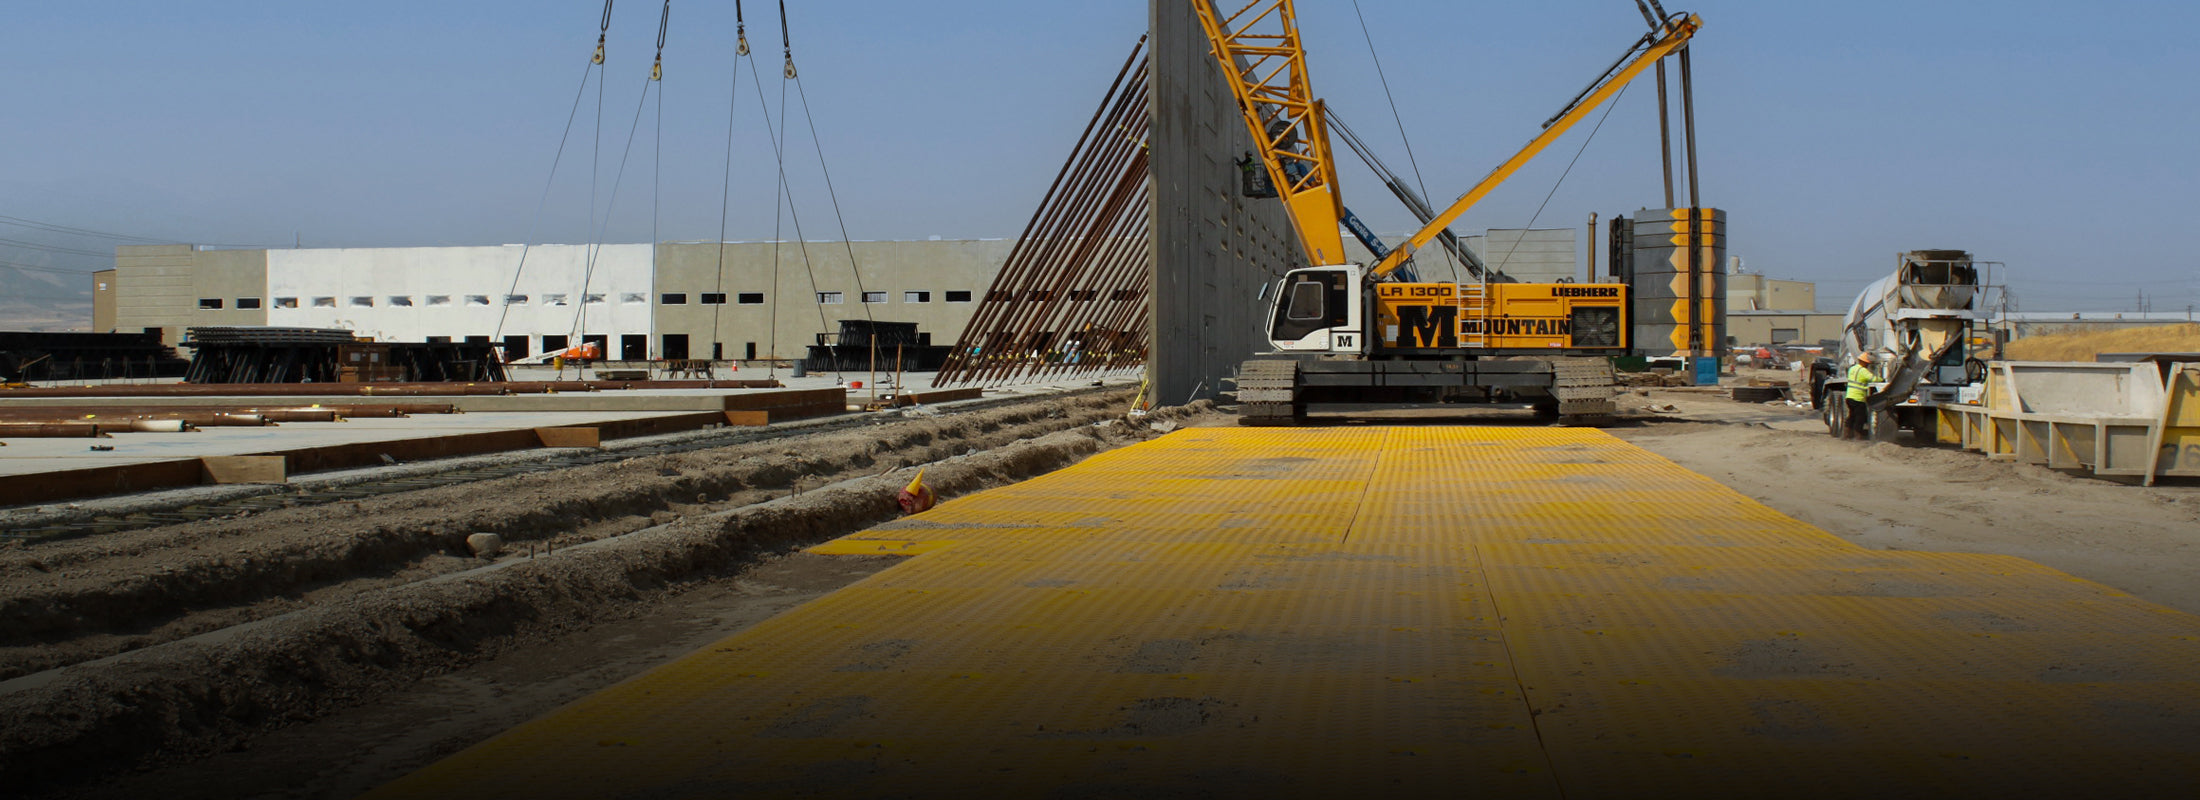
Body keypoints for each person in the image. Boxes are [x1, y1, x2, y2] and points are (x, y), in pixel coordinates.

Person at [1842, 351, 1880, 440]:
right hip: (1858, 398)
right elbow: (1873, 379)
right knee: (1860, 417)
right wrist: (1881, 379)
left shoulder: (1852, 369)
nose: (1868, 365)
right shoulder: (1863, 371)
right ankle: (1857, 435)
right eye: (1867, 363)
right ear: (1864, 362)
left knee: (1852, 416)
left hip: (1849, 396)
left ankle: (1846, 434)